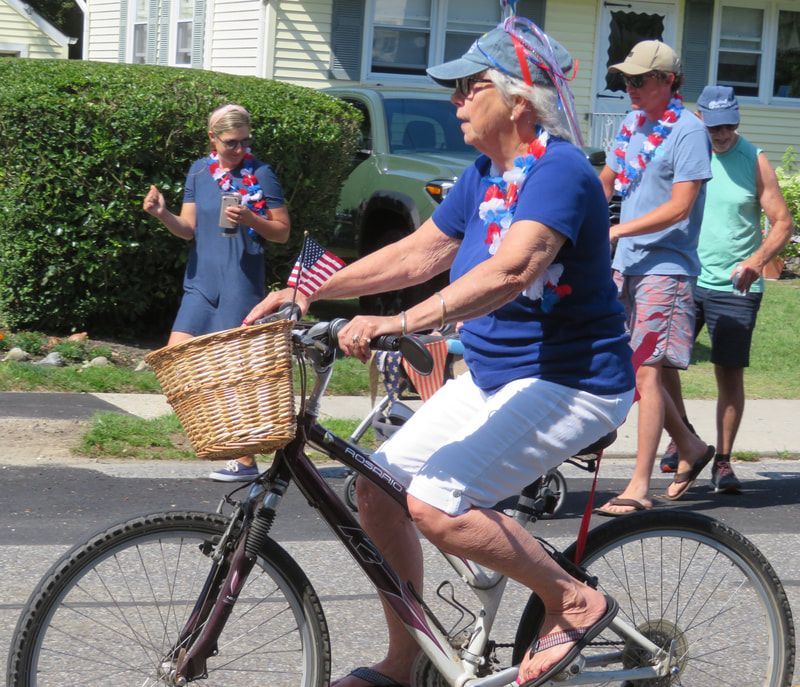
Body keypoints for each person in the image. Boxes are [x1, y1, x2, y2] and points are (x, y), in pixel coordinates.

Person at [246, 17, 634, 687]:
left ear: (517, 98)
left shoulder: (562, 172)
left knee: (434, 500)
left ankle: (573, 599)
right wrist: (306, 289)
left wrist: (400, 321)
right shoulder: (485, 174)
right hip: (492, 376)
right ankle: (408, 661)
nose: (454, 100)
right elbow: (419, 252)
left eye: (468, 86)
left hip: (572, 381)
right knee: (376, 488)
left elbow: (512, 270)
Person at [594, 40, 715, 516]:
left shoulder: (689, 131)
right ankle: (689, 446)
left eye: (640, 79)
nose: (630, 87)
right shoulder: (631, 125)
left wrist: (617, 229)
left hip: (667, 266)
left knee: (645, 369)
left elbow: (680, 206)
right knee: (635, 368)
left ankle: (639, 485)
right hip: (626, 264)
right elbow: (607, 181)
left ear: (668, 81)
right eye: (626, 79)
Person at [143, 103, 291, 482]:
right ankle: (217, 434)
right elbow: (188, 228)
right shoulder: (199, 170)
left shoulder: (261, 173)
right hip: (201, 280)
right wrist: (162, 214)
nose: (239, 149)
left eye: (245, 142)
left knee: (233, 371)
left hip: (240, 281)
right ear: (213, 138)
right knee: (177, 356)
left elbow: (282, 232)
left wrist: (252, 218)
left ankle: (245, 460)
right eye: (231, 143)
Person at [660, 85, 793, 493]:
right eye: (715, 127)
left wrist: (756, 261)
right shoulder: (687, 152)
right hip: (686, 276)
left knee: (728, 371)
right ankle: (685, 436)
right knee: (661, 362)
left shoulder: (754, 159)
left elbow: (783, 222)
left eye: (729, 126)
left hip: (736, 286)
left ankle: (723, 461)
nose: (722, 134)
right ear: (700, 118)